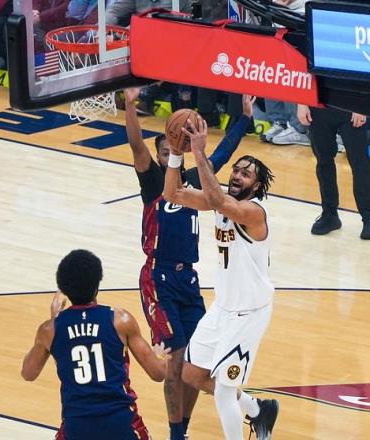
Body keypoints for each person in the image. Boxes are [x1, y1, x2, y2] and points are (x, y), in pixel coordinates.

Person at [124, 88, 255, 440]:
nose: (173, 154)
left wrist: (244, 118)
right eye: (167, 151)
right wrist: (131, 104)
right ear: (160, 154)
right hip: (158, 277)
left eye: (176, 149)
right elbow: (136, 144)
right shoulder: (153, 181)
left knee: (197, 361)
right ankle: (174, 433)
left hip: (188, 279)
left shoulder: (195, 182)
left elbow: (223, 153)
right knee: (176, 359)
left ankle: (182, 429)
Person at [162, 117, 279, 440]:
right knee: (191, 374)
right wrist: (176, 154)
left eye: (246, 174)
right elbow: (172, 193)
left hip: (249, 313)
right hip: (223, 308)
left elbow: (216, 200)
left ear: (257, 186)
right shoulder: (221, 201)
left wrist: (199, 152)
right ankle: (258, 410)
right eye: (236, 170)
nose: (237, 175)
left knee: (225, 391)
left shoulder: (254, 212)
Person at [22, 249, 171, 440]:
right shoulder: (121, 320)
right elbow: (158, 374)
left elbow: (28, 373)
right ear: (97, 285)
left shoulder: (49, 330)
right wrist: (161, 358)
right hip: (121, 422)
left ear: (64, 288)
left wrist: (54, 320)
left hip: (77, 426)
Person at [297, 105, 370, 239]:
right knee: (323, 161)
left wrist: (361, 106)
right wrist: (302, 103)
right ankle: (330, 215)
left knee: (359, 162)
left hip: (350, 105)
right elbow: (305, 86)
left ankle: (369, 218)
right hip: (318, 107)